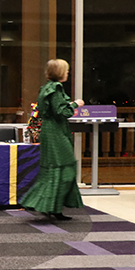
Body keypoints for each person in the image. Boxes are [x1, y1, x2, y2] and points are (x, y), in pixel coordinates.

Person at [19, 59, 84, 220]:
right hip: (56, 132)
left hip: (49, 130)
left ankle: (52, 207)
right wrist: (75, 104)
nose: (68, 73)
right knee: (66, 167)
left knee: (54, 168)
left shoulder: (46, 88)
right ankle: (47, 205)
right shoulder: (56, 89)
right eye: (66, 70)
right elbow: (62, 112)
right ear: (60, 72)